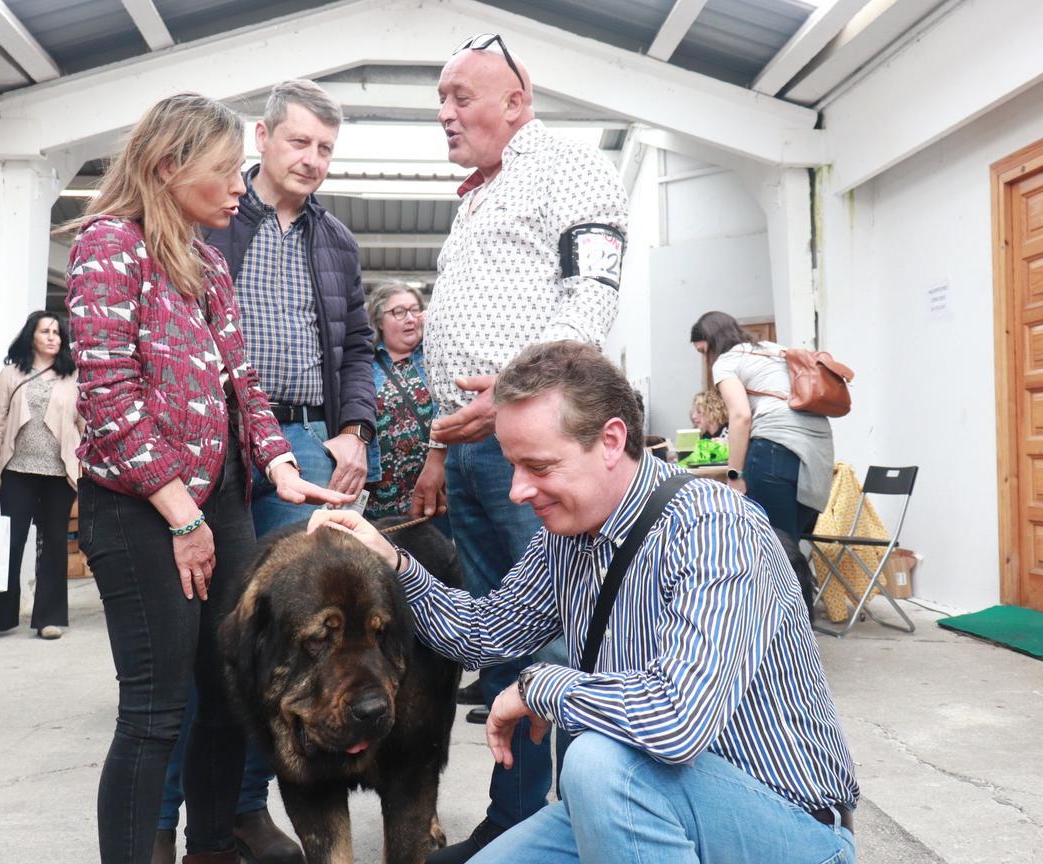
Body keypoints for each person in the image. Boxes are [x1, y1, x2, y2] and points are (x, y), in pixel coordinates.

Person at [313, 340, 858, 864]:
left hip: (787, 829)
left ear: (612, 441)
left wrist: (540, 686)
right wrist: (392, 561)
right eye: (513, 466)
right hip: (639, 799)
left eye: (539, 467)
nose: (517, 491)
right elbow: (484, 633)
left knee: (596, 762)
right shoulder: (566, 537)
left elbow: (677, 719)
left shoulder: (715, 528)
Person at [65, 92, 345, 864]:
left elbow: (243, 385)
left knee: (228, 693)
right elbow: (110, 400)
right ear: (167, 167)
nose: (237, 186)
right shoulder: (107, 247)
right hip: (139, 509)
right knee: (155, 711)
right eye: (223, 172)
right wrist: (180, 516)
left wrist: (282, 465)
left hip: (218, 500)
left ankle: (213, 848)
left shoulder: (208, 260)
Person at [412, 34, 629, 861]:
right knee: (502, 641)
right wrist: (443, 445)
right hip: (471, 451)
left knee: (557, 642)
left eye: (462, 96)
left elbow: (589, 293)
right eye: (441, 98)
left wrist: (511, 401)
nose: (445, 113)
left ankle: (576, 824)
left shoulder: (567, 166)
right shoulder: (478, 193)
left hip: (535, 450)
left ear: (519, 100)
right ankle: (514, 818)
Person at [200, 78, 376, 862]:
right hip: (211, 441)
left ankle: (242, 809)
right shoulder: (210, 217)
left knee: (278, 635)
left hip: (302, 445)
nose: (312, 159)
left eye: (326, 149)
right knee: (207, 633)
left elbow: (358, 350)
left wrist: (353, 430)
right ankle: (188, 813)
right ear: (262, 138)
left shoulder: (336, 241)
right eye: (300, 142)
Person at [0, 310, 82, 642]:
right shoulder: (11, 374)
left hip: (58, 472)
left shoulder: (73, 375)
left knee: (52, 545)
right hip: (17, 471)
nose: (52, 337)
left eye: (57, 332)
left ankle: (49, 618)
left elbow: (83, 425)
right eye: (45, 331)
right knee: (8, 544)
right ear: (30, 336)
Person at [690, 311, 834, 539]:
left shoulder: (727, 361)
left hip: (773, 451)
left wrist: (734, 476)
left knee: (774, 549)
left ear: (713, 342)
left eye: (703, 352)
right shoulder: (775, 349)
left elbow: (740, 416)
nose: (706, 360)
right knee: (791, 546)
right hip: (817, 454)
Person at [364, 281, 438, 520]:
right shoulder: (364, 365)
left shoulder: (437, 355)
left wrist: (437, 324)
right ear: (378, 320)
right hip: (379, 496)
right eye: (398, 312)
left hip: (435, 489)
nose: (410, 318)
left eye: (415, 310)